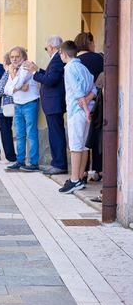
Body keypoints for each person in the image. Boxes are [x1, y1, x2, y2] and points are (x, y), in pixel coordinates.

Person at [23, 35, 67, 175]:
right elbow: (49, 76)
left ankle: (60, 164)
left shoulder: (57, 59)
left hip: (54, 102)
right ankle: (56, 163)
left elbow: (51, 81)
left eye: (46, 47)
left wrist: (34, 72)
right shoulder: (55, 60)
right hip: (52, 102)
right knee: (54, 134)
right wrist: (38, 70)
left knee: (56, 134)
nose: (46, 50)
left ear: (52, 47)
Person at [58, 40, 97, 194]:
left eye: (60, 53)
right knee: (84, 145)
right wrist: (88, 101)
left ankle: (74, 179)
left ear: (64, 54)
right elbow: (94, 88)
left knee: (75, 146)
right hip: (87, 110)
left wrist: (85, 108)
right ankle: (80, 178)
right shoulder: (83, 67)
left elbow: (77, 91)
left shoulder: (69, 68)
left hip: (77, 111)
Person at [5, 46, 40, 172]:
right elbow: (7, 90)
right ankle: (20, 161)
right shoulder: (14, 69)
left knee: (31, 134)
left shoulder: (26, 66)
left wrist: (13, 75)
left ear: (23, 57)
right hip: (17, 104)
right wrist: (18, 85)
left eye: (17, 56)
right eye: (12, 57)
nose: (14, 59)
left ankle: (34, 163)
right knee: (19, 135)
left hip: (30, 104)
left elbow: (17, 84)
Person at [75, 32, 103, 182]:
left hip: (79, 104)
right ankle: (98, 170)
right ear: (89, 43)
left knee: (81, 140)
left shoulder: (75, 61)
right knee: (97, 137)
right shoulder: (99, 58)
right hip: (98, 101)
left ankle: (83, 173)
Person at [0, 53, 17, 163]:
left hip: (7, 105)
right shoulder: (16, 70)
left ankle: (11, 156)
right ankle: (13, 155)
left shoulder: (7, 72)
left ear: (4, 62)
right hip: (15, 104)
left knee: (5, 131)